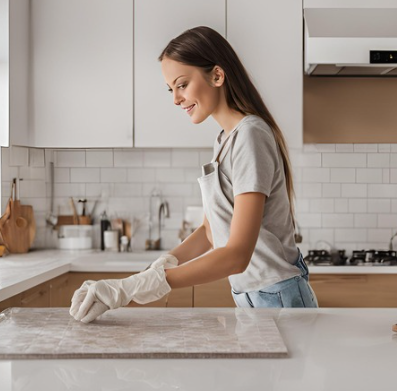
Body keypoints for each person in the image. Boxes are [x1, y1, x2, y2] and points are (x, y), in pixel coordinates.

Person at [70, 26, 317, 323]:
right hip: (254, 296)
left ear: (217, 75)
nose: (175, 98)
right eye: (170, 89)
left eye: (182, 84)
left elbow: (237, 255)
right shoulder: (225, 139)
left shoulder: (251, 136)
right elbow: (210, 231)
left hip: (278, 296)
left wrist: (134, 287)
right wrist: (160, 265)